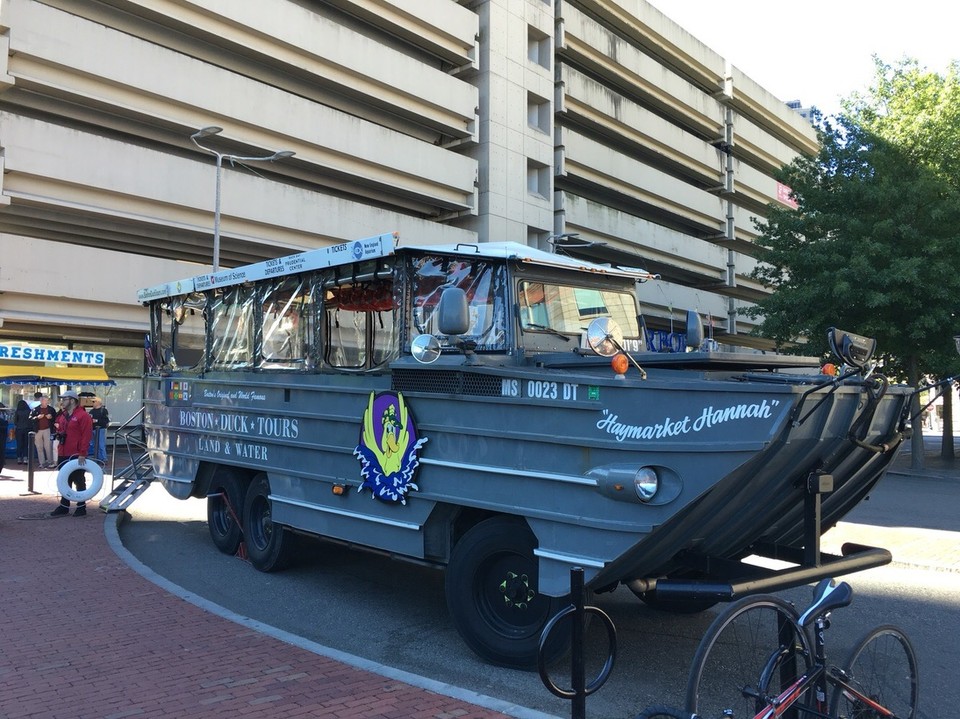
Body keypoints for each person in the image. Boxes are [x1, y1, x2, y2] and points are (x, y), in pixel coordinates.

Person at [49, 390, 94, 517]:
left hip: (76, 453)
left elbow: (86, 435)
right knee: (64, 480)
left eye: (65, 399)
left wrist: (82, 453)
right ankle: (64, 505)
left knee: (79, 480)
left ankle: (81, 507)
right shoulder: (63, 415)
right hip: (63, 451)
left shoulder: (82, 416)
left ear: (72, 400)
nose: (62, 401)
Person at [29, 395, 57, 468]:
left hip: (47, 429)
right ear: (41, 401)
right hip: (37, 430)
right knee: (39, 447)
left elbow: (56, 418)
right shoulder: (35, 409)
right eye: (44, 401)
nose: (45, 402)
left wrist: (51, 417)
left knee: (48, 446)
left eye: (46, 401)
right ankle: (42, 462)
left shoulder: (51, 409)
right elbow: (30, 418)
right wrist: (37, 417)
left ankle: (50, 461)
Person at [88, 396, 110, 463]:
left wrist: (96, 421)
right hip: (93, 429)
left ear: (98, 402)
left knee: (101, 444)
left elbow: (106, 421)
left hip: (100, 429)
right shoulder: (92, 411)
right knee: (93, 444)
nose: (93, 403)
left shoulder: (103, 410)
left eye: (94, 402)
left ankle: (103, 458)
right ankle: (97, 457)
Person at [14, 399, 32, 464]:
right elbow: (31, 420)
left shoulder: (17, 411)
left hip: (19, 429)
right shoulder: (29, 411)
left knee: (19, 444)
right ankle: (25, 458)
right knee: (26, 444)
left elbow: (15, 421)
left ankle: (19, 458)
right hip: (27, 429)